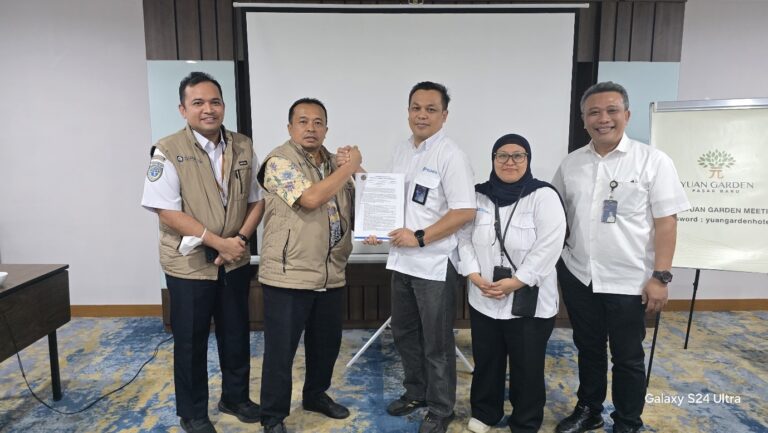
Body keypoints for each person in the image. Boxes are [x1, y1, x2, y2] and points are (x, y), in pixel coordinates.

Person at [551, 81, 690, 433]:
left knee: (628, 358)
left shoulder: (653, 161)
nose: (603, 119)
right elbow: (555, 214)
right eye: (594, 112)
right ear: (583, 120)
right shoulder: (571, 164)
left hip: (630, 280)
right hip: (581, 274)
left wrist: (661, 276)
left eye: (612, 111)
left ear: (626, 115)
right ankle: (590, 410)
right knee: (588, 348)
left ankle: (627, 421)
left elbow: (666, 223)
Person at [141, 72, 264, 433]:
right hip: (189, 263)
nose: (208, 109)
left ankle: (235, 397)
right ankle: (193, 412)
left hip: (234, 257)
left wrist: (237, 240)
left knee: (236, 332)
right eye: (198, 103)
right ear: (183, 109)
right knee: (192, 340)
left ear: (224, 105)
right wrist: (217, 241)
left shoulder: (242, 144)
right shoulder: (166, 150)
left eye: (215, 102)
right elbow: (166, 211)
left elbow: (257, 200)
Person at [365, 81, 476, 433]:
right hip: (400, 261)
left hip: (433, 263)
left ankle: (441, 409)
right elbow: (390, 199)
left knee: (437, 341)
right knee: (404, 333)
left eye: (430, 109)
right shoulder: (402, 151)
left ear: (444, 115)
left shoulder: (450, 155)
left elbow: (464, 211)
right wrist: (375, 226)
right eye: (416, 107)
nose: (422, 115)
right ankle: (416, 392)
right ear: (408, 111)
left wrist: (421, 237)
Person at [256, 98, 361, 433]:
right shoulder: (278, 162)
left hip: (330, 272)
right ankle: (272, 416)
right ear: (290, 128)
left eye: (318, 122)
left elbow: (363, 201)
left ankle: (315, 395)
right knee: (280, 352)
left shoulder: (335, 162)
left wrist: (357, 172)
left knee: (325, 344)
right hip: (289, 274)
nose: (311, 128)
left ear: (326, 129)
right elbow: (310, 199)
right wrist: (349, 168)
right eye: (303, 121)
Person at [457, 134, 567, 433]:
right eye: (501, 155)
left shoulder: (544, 196)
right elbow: (462, 239)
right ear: (492, 160)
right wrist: (474, 275)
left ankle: (525, 420)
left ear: (528, 160)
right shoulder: (477, 196)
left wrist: (515, 282)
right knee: (487, 361)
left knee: (527, 365)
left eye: (518, 155)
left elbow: (549, 247)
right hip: (484, 296)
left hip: (527, 299)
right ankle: (485, 413)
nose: (510, 162)